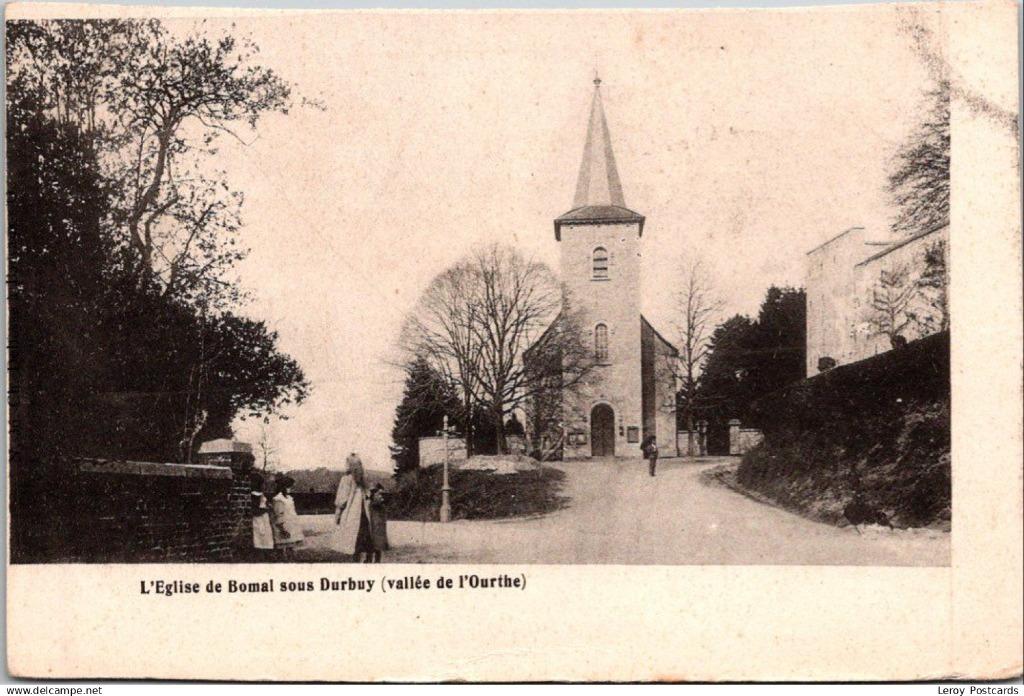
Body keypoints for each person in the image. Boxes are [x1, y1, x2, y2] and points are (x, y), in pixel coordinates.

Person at [334, 453, 374, 562]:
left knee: (354, 538)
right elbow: (369, 495)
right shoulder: (363, 479)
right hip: (364, 513)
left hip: (352, 513)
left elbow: (342, 499)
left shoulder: (346, 479)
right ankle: (368, 560)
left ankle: (356, 561)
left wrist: (338, 514)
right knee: (366, 537)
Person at [271, 475, 304, 560]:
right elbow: (278, 514)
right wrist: (282, 529)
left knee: (291, 550)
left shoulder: (289, 498)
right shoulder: (278, 499)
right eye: (289, 487)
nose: (290, 489)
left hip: (291, 526)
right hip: (283, 527)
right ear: (284, 487)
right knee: (281, 550)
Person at [250, 471, 275, 558]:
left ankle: (265, 554)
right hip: (259, 518)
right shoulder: (255, 495)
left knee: (265, 536)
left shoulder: (260, 494)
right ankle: (261, 555)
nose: (264, 486)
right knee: (260, 536)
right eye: (262, 483)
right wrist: (266, 509)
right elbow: (255, 510)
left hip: (263, 517)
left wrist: (267, 505)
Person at [366, 482, 390, 563]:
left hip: (378, 526)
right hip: (375, 525)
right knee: (373, 543)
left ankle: (374, 560)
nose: (381, 496)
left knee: (377, 544)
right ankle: (370, 559)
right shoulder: (373, 503)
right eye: (378, 493)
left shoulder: (376, 502)